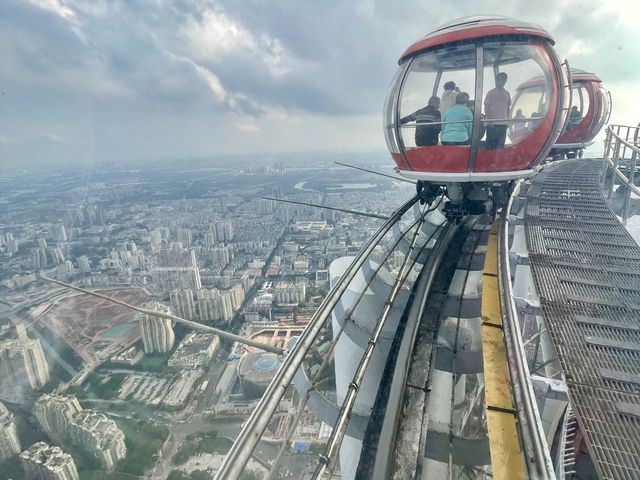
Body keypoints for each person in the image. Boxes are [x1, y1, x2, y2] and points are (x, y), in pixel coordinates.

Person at [484, 72, 511, 149]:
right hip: (492, 125)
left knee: (500, 147)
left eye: (503, 79)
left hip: (503, 124)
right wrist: (490, 121)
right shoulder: (491, 93)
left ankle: (497, 161)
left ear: (505, 81)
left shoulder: (507, 93)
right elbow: (486, 108)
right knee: (490, 147)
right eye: (499, 79)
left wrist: (508, 121)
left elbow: (508, 108)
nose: (501, 81)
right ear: (496, 80)